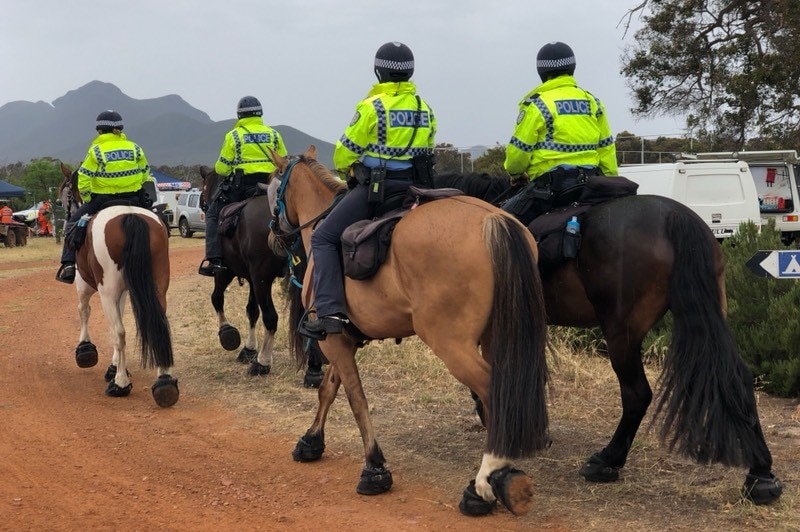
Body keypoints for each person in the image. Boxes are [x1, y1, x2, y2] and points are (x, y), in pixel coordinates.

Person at [299, 41, 437, 339]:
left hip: (379, 190)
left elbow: (344, 153)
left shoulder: (372, 106)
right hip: (417, 189)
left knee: (322, 237)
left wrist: (351, 169)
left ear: (379, 72)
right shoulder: (423, 108)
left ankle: (330, 311)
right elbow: (428, 146)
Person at [502, 41, 618, 222]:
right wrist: (610, 183)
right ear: (572, 68)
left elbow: (518, 155)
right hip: (591, 185)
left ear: (542, 73)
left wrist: (516, 173)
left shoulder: (536, 104)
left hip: (551, 190)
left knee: (501, 224)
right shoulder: (593, 102)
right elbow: (606, 148)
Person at [55, 110, 150, 284]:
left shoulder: (96, 150)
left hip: (103, 199)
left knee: (72, 224)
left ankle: (68, 264)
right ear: (119, 129)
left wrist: (87, 197)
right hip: (134, 198)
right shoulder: (135, 147)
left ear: (99, 130)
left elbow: (84, 177)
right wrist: (133, 185)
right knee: (158, 222)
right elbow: (145, 172)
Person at [198, 95, 287, 277]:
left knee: (213, 214)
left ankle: (214, 259)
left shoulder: (234, 136)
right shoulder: (274, 134)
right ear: (260, 114)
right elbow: (283, 161)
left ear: (239, 116)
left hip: (243, 188)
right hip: (271, 187)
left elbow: (222, 168)